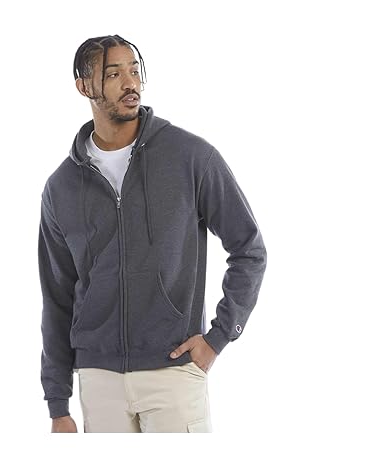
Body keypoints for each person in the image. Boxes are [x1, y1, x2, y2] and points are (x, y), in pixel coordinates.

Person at [38, 34, 267, 433]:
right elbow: (57, 296)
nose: (130, 83)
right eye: (113, 74)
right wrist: (58, 403)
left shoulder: (189, 157)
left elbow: (249, 249)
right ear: (84, 86)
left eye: (134, 71)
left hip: (173, 371)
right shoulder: (61, 188)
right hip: (99, 379)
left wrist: (217, 337)